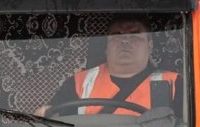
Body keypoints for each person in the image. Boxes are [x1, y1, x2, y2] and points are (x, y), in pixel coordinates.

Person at [40, 17, 180, 117]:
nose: (125, 41)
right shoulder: (78, 83)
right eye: (117, 35)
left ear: (149, 46)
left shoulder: (175, 83)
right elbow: (54, 123)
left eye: (134, 34)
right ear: (106, 47)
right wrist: (45, 114)